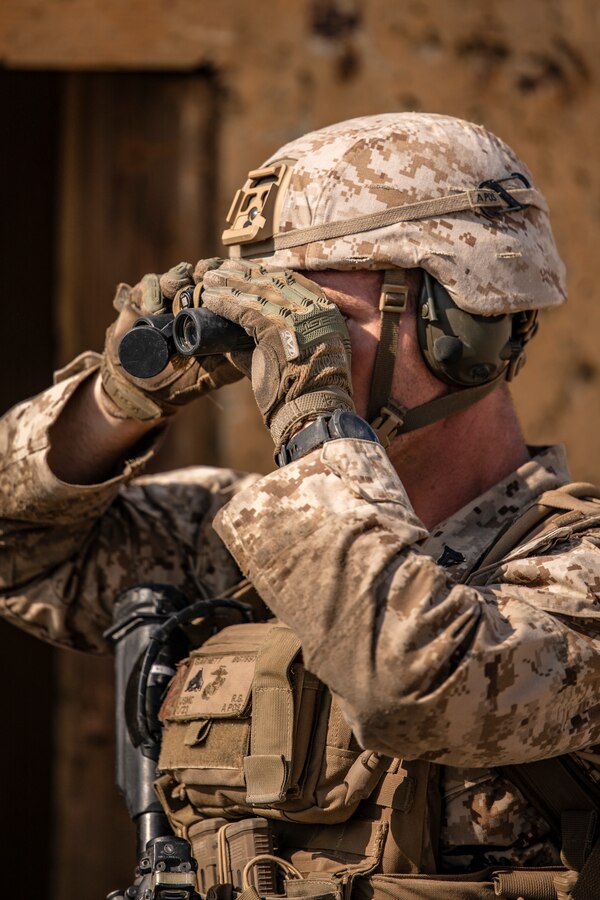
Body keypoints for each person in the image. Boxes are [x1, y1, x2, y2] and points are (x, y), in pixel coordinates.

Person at [1, 113, 599, 899]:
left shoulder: (576, 566)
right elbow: (22, 556)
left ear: (468, 322)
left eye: (317, 318)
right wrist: (114, 403)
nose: (278, 348)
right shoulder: (243, 537)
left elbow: (408, 679)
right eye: (266, 312)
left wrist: (316, 419)